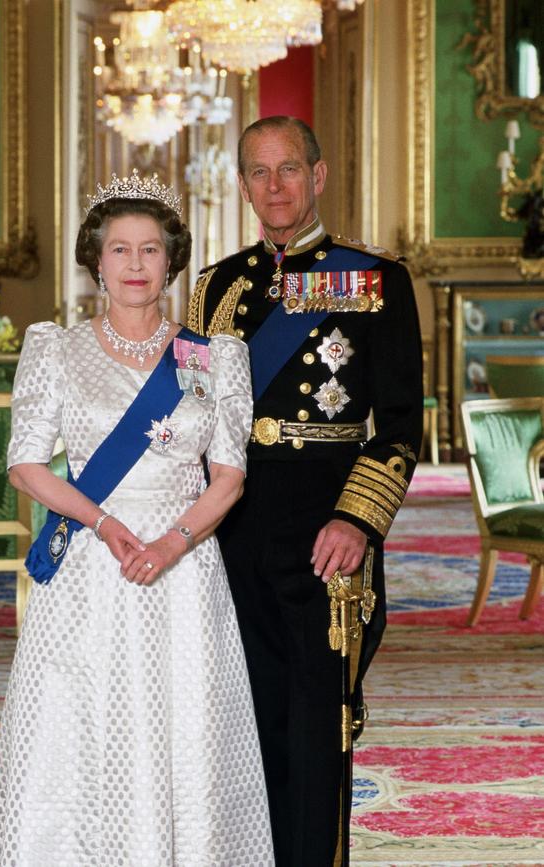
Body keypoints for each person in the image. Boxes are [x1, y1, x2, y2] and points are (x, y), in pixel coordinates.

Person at [0, 170, 274, 866]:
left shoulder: (214, 356)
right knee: (84, 723)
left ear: (171, 260)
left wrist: (172, 542)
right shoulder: (55, 347)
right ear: (96, 259)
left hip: (184, 562)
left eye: (149, 249)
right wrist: (106, 526)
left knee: (185, 724)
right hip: (93, 564)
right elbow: (25, 464)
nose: (136, 264)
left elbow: (229, 475)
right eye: (120, 249)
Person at [188, 116, 423, 866]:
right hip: (235, 526)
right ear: (244, 184)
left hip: (327, 529)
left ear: (317, 176)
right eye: (259, 172)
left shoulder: (374, 279)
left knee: (318, 726)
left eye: (289, 169)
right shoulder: (215, 288)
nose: (275, 186)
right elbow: (196, 419)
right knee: (247, 721)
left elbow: (399, 426)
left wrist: (358, 520)